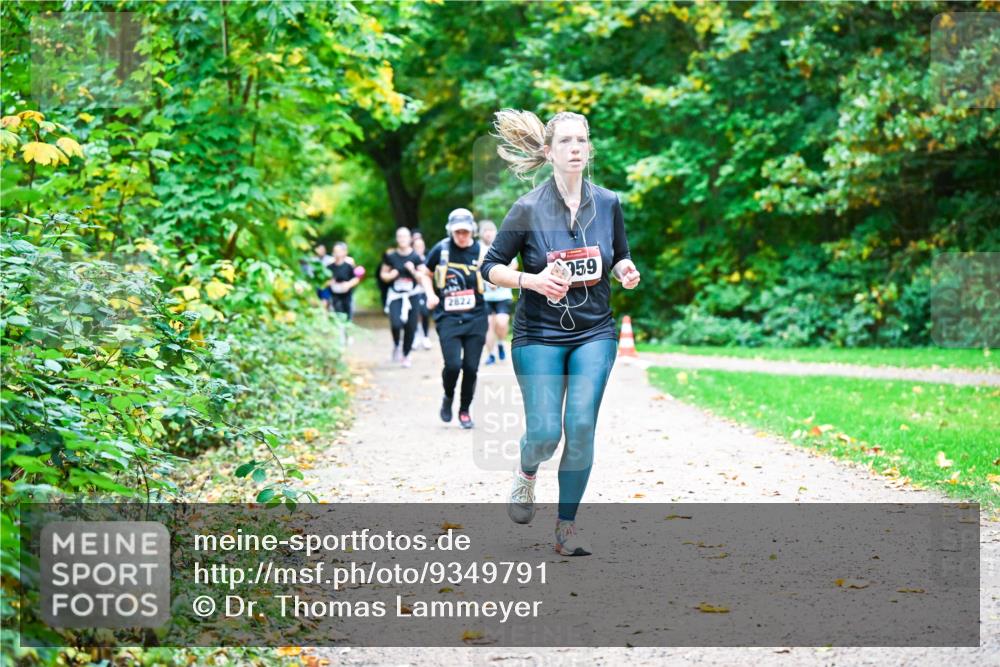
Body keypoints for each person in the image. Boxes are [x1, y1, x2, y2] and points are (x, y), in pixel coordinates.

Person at [479, 109, 641, 556]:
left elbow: (620, 254)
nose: (575, 149)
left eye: (582, 141)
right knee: (547, 434)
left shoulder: (607, 202)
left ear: (589, 148)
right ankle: (527, 470)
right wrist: (531, 281)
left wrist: (626, 269)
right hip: (539, 335)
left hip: (595, 332)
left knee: (582, 425)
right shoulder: (527, 208)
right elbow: (489, 268)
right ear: (548, 152)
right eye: (566, 141)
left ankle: (566, 528)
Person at [420, 209, 489, 429]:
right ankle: (448, 396)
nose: (461, 236)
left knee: (470, 367)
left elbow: (496, 271)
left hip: (476, 316)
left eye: (465, 232)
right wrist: (430, 294)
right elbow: (424, 273)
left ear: (472, 231)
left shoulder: (481, 251)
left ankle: (465, 410)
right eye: (457, 231)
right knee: (453, 365)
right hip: (448, 316)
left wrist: (495, 281)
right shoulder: (441, 249)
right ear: (451, 230)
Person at [380, 227, 425, 367]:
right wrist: (390, 276)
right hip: (395, 295)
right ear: (396, 238)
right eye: (399, 237)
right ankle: (396, 344)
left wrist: (412, 270)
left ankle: (406, 355)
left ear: (410, 239)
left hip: (412, 295)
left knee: (411, 326)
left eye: (405, 237)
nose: (402, 239)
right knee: (396, 323)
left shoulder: (416, 257)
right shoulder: (391, 256)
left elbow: (422, 277)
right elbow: (383, 275)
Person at [477, 220, 517, 365]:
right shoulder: (477, 249)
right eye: (485, 231)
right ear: (481, 233)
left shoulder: (502, 245)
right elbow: (475, 269)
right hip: (485, 295)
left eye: (491, 230)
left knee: (501, 322)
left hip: (502, 294)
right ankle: (491, 354)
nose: (488, 233)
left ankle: (500, 342)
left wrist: (499, 278)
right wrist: (488, 281)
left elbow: (514, 264)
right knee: (488, 325)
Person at [411, 232, 434, 351]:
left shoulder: (428, 259)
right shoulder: (410, 260)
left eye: (421, 246)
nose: (419, 249)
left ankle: (425, 336)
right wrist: (415, 272)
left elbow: (430, 275)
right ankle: (415, 336)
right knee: (414, 315)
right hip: (412, 292)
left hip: (425, 291)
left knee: (424, 313)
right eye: (417, 246)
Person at [329, 241, 360, 322]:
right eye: (335, 251)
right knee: (337, 313)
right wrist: (330, 282)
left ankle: (346, 332)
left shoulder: (349, 265)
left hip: (347, 295)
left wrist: (348, 284)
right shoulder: (329, 266)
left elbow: (356, 278)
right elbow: (324, 281)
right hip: (334, 295)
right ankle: (340, 332)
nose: (337, 253)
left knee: (347, 313)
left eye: (339, 251)